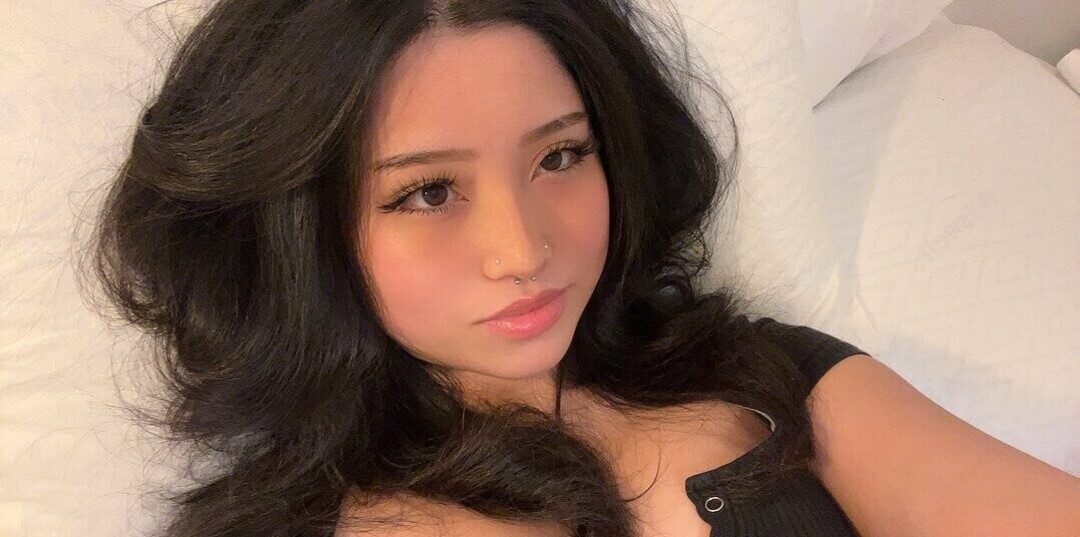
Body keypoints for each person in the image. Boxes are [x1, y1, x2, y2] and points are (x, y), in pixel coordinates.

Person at [82, 0, 1080, 536]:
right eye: (427, 192)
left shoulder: (770, 377)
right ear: (307, 231)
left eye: (560, 156)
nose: (524, 250)